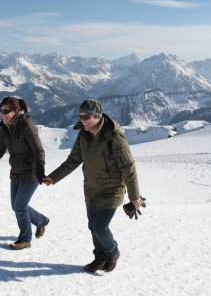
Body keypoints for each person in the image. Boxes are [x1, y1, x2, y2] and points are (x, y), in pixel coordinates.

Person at [43, 99, 143, 272]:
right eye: (80, 116)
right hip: (91, 189)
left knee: (100, 227)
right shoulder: (83, 134)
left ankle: (112, 252)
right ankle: (100, 258)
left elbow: (128, 167)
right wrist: (53, 178)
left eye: (86, 116)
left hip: (111, 190)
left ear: (98, 116)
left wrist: (134, 196)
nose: (82, 120)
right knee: (92, 226)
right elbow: (73, 160)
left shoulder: (113, 136)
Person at [0, 96, 49, 250]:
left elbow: (38, 150)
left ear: (16, 111)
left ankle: (25, 239)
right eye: (1, 110)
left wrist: (40, 170)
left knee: (19, 207)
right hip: (16, 171)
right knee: (17, 206)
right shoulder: (5, 127)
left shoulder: (27, 126)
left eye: (6, 111)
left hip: (31, 172)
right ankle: (41, 221)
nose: (3, 114)